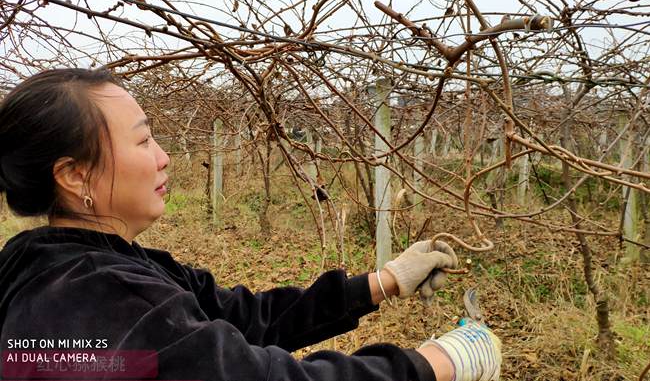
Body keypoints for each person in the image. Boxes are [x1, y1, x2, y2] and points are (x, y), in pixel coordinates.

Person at [0, 68, 501, 381]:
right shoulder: (94, 305)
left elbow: (245, 319)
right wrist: (433, 364)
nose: (164, 157)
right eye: (143, 141)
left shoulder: (100, 269)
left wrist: (383, 282)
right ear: (74, 174)